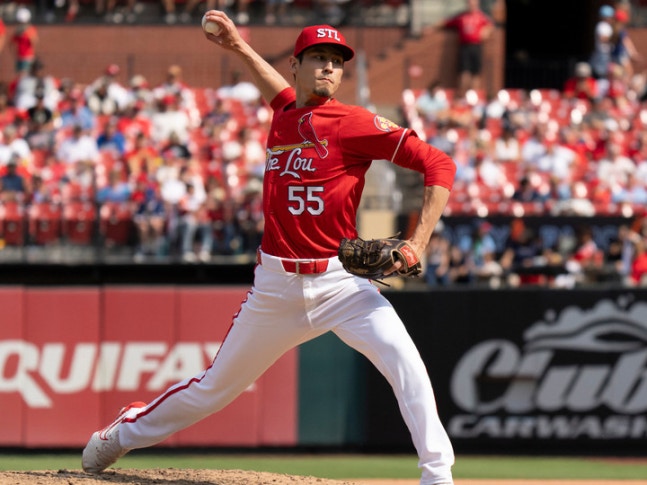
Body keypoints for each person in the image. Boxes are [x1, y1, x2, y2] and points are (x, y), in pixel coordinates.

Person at [82, 13, 456, 485]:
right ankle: (122, 433)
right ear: (296, 66)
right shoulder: (285, 114)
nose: (329, 67)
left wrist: (417, 241)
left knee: (407, 364)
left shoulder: (353, 123)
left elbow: (439, 163)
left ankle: (437, 476)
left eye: (336, 60)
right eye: (318, 57)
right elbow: (278, 91)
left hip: (341, 283)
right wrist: (238, 46)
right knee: (213, 390)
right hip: (276, 287)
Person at [434, 0, 494, 94]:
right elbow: (446, 22)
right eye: (470, 3)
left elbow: (491, 25)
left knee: (476, 72)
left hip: (476, 46)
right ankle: (462, 94)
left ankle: (474, 94)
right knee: (464, 72)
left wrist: (486, 31)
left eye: (474, 3)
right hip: (464, 47)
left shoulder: (481, 16)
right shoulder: (461, 17)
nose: (472, 5)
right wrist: (432, 27)